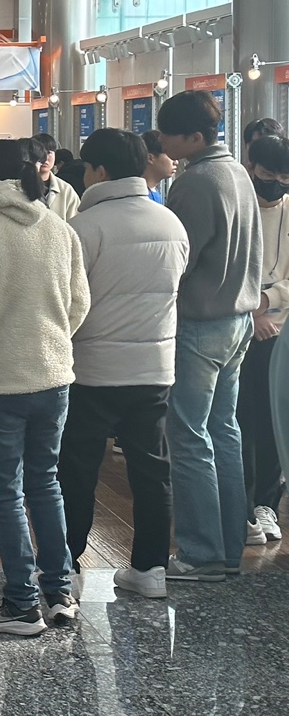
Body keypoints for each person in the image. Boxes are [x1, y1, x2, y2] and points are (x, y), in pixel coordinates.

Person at [0, 139, 90, 635]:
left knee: (5, 495)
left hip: (0, 383)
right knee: (45, 484)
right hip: (54, 378)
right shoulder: (59, 228)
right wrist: (51, 342)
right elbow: (79, 304)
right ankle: (60, 593)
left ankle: (22, 603)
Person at [60, 129, 189, 599]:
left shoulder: (83, 228)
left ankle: (67, 566)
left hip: (92, 368)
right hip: (154, 367)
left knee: (77, 469)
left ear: (99, 171)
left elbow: (67, 301)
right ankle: (150, 568)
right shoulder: (171, 224)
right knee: (151, 469)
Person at [157, 90, 263, 581]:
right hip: (238, 319)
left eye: (170, 134)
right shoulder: (237, 172)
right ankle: (229, 547)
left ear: (195, 137)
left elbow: (181, 258)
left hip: (199, 323)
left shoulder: (195, 182)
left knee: (189, 436)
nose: (162, 141)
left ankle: (201, 554)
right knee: (224, 430)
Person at [240, 135, 289, 546]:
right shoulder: (237, 205)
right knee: (240, 419)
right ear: (251, 166)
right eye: (268, 173)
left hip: (280, 329)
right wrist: (250, 313)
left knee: (274, 419)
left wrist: (269, 302)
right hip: (237, 324)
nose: (276, 183)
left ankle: (266, 503)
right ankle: (240, 506)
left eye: (284, 176)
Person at [30, 134, 81, 221]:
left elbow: (76, 223)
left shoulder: (66, 190)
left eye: (49, 153)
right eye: (40, 152)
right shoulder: (18, 187)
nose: (45, 158)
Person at [142, 129, 176, 204]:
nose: (176, 162)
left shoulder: (155, 193)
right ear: (150, 158)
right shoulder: (140, 196)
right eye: (170, 155)